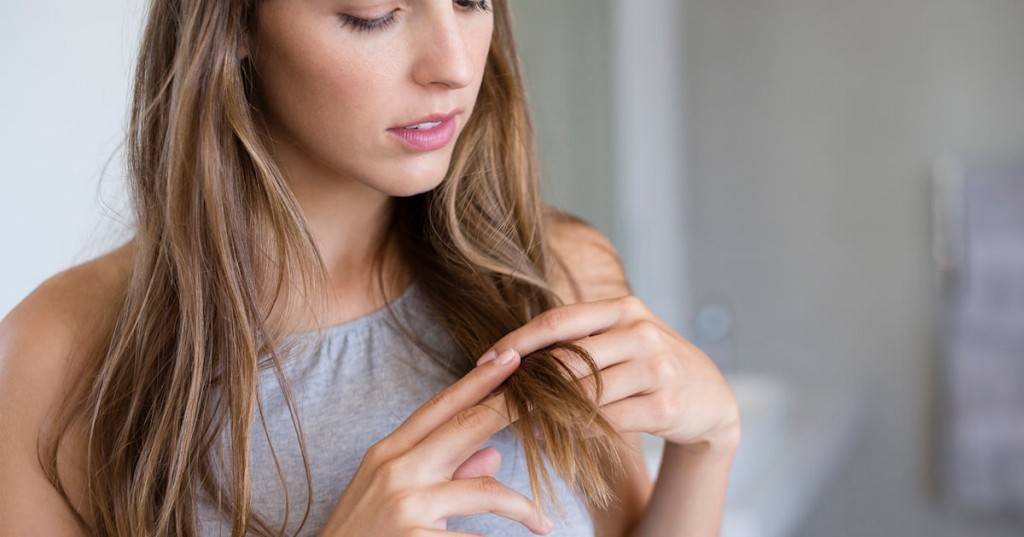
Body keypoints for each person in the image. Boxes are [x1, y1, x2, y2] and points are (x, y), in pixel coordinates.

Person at [0, 0, 741, 535]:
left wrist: (708, 447)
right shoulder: (56, 357)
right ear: (234, 24)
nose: (452, 67)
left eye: (472, 0)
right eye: (375, 14)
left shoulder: (554, 275)